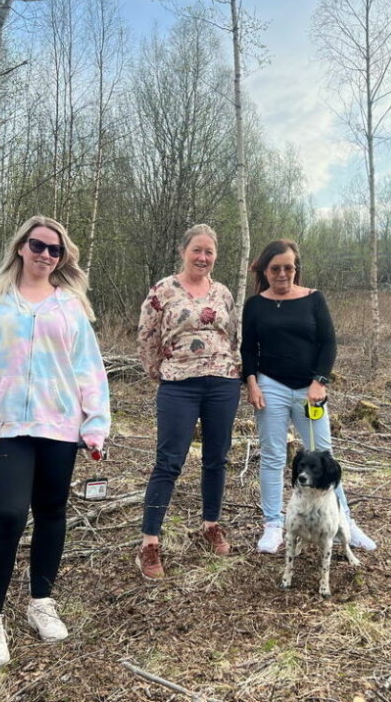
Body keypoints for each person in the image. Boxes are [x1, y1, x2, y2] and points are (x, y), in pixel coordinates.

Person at [0, 215, 111, 669]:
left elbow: (88, 368)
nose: (46, 254)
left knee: (51, 514)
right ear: (21, 247)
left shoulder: (69, 306)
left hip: (59, 426)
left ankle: (41, 601)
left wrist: (95, 424)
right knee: (7, 516)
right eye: (38, 245)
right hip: (5, 427)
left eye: (55, 249)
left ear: (62, 258)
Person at [241, 239, 376, 554]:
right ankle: (273, 525)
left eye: (288, 268)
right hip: (270, 387)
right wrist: (251, 383)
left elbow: (328, 344)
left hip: (309, 392)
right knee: (273, 456)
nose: (283, 274)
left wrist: (320, 381)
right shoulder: (255, 305)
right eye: (276, 268)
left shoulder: (314, 299)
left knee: (324, 456)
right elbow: (248, 349)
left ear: (296, 268)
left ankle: (345, 522)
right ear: (265, 270)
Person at [135, 223, 241, 580]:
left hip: (222, 384)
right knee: (168, 462)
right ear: (184, 251)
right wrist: (161, 372)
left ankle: (210, 525)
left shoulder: (223, 293)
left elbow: (233, 337)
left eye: (209, 251)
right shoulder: (163, 290)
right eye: (197, 249)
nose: (203, 257)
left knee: (216, 458)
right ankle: (150, 543)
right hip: (179, 385)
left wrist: (233, 370)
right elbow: (146, 336)